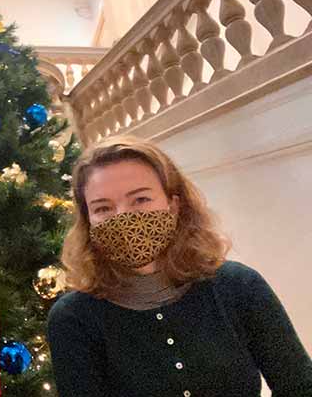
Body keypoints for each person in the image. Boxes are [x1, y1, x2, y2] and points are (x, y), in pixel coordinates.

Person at [47, 135, 312, 397]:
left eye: (140, 200)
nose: (123, 218)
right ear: (88, 220)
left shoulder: (239, 286)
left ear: (173, 205)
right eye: (103, 208)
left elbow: (299, 386)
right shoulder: (73, 318)